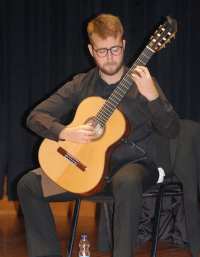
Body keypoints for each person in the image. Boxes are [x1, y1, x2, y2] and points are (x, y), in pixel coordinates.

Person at [17, 13, 180, 257]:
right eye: (102, 51)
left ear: (124, 45)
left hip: (131, 167)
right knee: (28, 185)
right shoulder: (81, 84)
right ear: (91, 51)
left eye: (115, 49)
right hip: (86, 170)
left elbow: (172, 130)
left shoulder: (144, 83)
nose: (110, 57)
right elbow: (36, 116)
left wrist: (153, 97)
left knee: (127, 181)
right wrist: (65, 131)